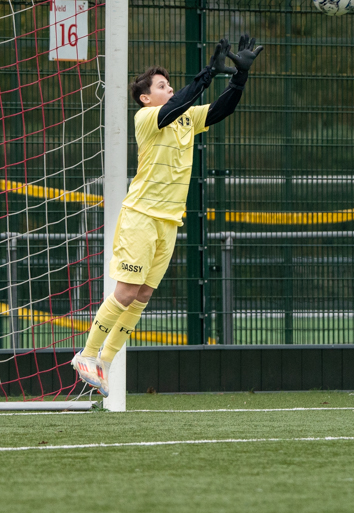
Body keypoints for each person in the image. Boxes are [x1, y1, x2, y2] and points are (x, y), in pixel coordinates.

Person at [72, 34, 264, 396]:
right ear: (146, 97)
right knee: (126, 291)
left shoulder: (186, 119)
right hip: (141, 216)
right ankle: (87, 353)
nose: (169, 88)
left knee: (142, 295)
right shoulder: (147, 117)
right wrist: (206, 74)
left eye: (170, 84)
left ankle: (105, 362)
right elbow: (175, 105)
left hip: (168, 222)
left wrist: (239, 78)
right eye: (162, 85)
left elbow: (222, 109)